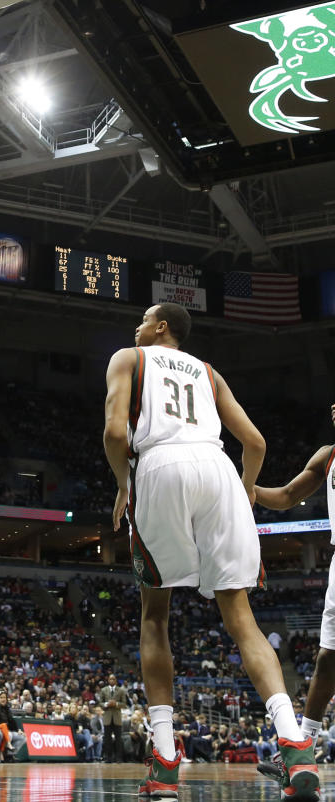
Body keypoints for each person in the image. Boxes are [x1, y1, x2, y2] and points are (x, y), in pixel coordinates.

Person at [103, 303, 318, 801]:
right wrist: (244, 488)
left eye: (144, 318)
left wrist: (123, 484)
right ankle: (293, 741)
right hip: (218, 467)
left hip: (160, 467)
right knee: (241, 617)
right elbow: (257, 443)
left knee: (154, 615)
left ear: (161, 327)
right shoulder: (209, 372)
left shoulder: (128, 358)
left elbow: (116, 434)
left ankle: (165, 763)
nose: (136, 325)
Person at [254, 405, 335, 755]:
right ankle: (304, 746)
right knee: (328, 659)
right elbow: (287, 496)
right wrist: (244, 486)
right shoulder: (328, 456)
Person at [97, 674, 127, 761]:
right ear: (108, 680)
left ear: (116, 681)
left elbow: (124, 704)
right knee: (107, 739)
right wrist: (107, 704)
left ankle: (118, 758)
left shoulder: (121, 690)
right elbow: (100, 703)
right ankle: (108, 757)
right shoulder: (103, 690)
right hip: (107, 718)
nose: (112, 681)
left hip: (117, 718)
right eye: (110, 679)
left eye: (113, 679)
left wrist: (116, 704)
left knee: (118, 739)